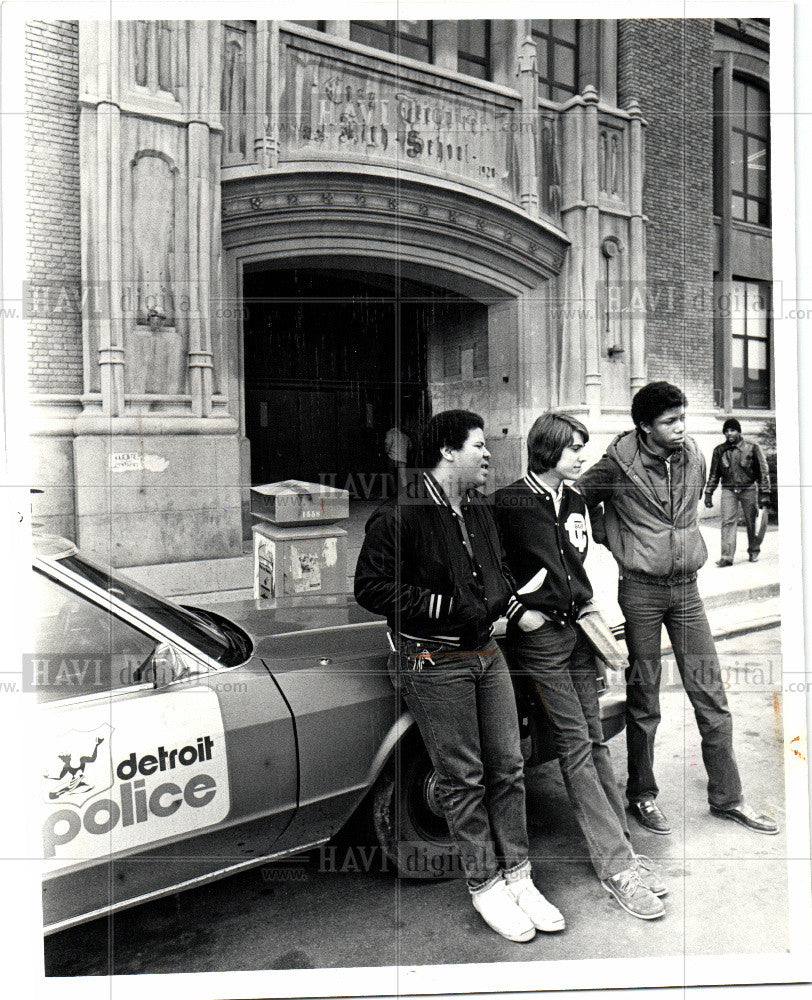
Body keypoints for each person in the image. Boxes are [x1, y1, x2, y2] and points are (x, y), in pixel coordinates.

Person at [355, 410, 565, 943]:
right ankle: (485, 884)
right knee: (463, 778)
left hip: (486, 652)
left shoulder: (476, 508)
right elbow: (372, 589)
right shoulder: (401, 512)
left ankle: (519, 876)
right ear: (448, 451)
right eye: (478, 444)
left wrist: (513, 605)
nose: (489, 453)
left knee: (510, 767)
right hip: (432, 659)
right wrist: (447, 606)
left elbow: (494, 574)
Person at [577, 382, 778, 837]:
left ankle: (728, 798)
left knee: (712, 696)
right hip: (641, 593)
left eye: (683, 417)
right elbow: (574, 502)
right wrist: (612, 537)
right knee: (645, 700)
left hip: (687, 591)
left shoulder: (695, 454)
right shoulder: (615, 465)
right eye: (670, 421)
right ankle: (641, 796)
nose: (681, 428)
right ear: (644, 426)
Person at [494, 412, 666, 920]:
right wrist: (516, 613)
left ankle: (624, 852)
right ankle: (616, 868)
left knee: (593, 740)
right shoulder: (508, 502)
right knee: (574, 745)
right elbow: (489, 567)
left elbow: (580, 559)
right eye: (573, 448)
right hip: (541, 639)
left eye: (583, 447)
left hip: (578, 632)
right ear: (547, 450)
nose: (582, 456)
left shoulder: (572, 499)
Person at [704, 417, 770, 566]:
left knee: (751, 521)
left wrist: (764, 494)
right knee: (727, 522)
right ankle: (727, 557)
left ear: (739, 431)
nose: (729, 433)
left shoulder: (752, 447)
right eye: (726, 431)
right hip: (728, 490)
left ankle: (754, 551)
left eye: (732, 430)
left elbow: (763, 471)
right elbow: (714, 474)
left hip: (748, 489)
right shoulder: (719, 451)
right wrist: (708, 493)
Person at [384, 424, 411, 492]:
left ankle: (394, 491)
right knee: (403, 476)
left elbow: (388, 443)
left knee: (390, 473)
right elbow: (410, 446)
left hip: (392, 457)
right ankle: (405, 492)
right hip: (403, 458)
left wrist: (386, 452)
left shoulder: (390, 433)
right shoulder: (405, 436)